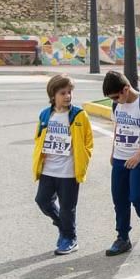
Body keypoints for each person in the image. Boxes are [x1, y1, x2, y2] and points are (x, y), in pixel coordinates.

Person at [32, 74, 94, 256]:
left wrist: (83, 159)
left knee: (68, 207)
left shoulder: (79, 115)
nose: (67, 96)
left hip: (68, 171)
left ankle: (70, 238)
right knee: (42, 201)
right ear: (53, 96)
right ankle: (63, 225)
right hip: (48, 169)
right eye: (62, 93)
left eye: (69, 92)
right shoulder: (46, 114)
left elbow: (88, 141)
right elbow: (38, 137)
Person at [102, 70, 140, 256]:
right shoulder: (116, 106)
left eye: (115, 96)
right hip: (120, 158)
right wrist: (113, 152)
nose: (114, 100)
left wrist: (138, 155)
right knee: (119, 199)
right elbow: (118, 128)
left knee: (138, 197)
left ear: (126, 89)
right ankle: (122, 238)